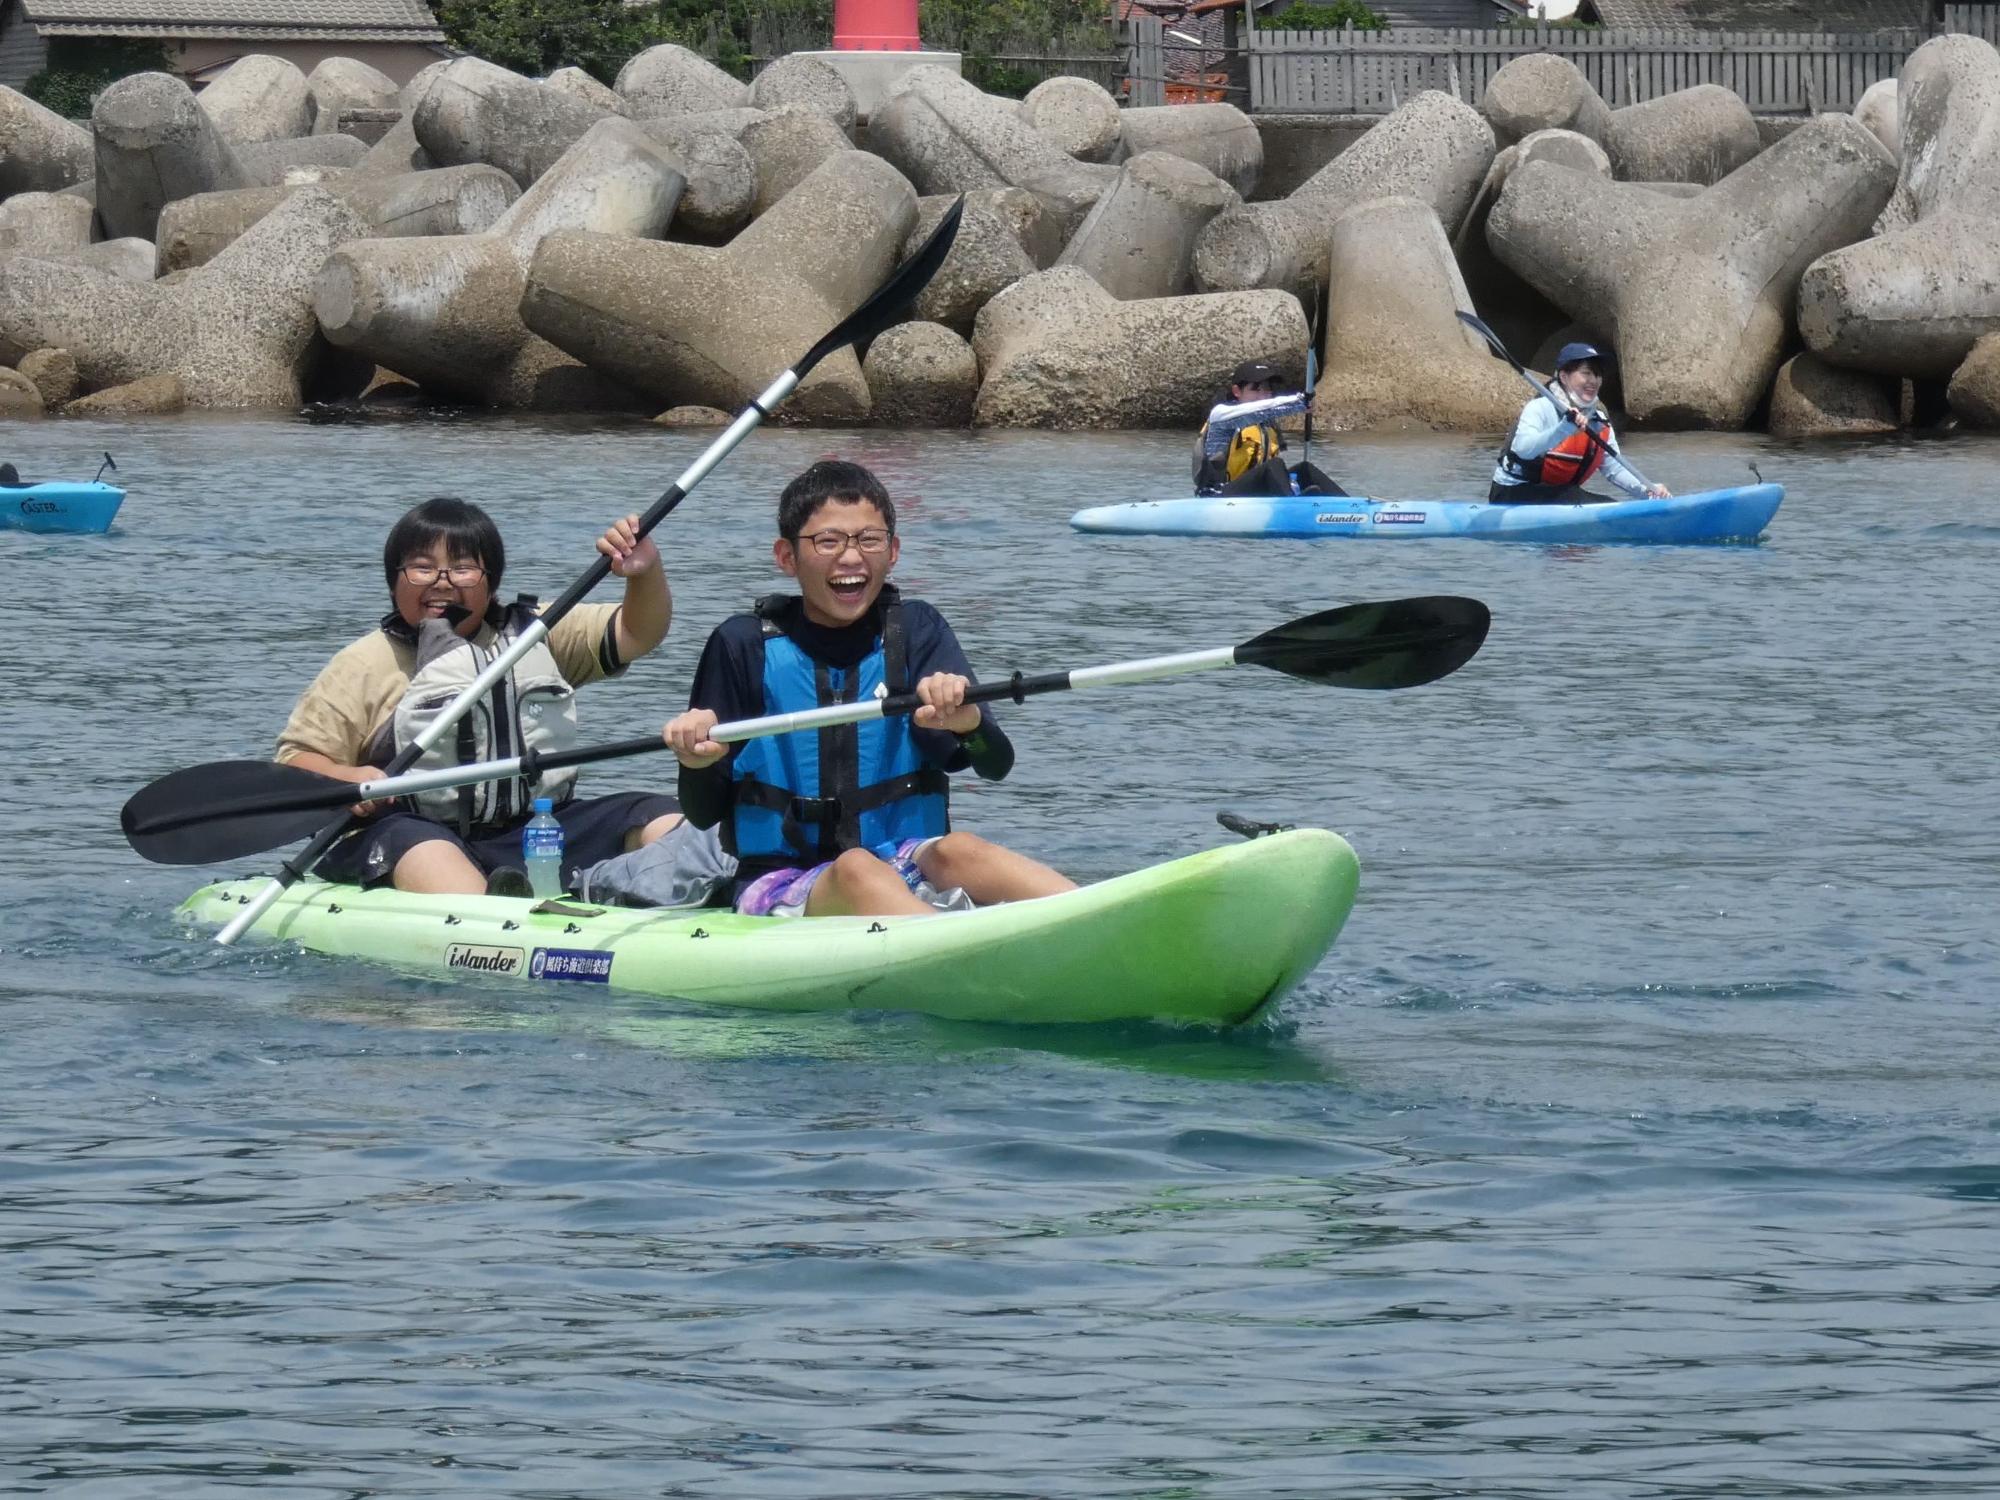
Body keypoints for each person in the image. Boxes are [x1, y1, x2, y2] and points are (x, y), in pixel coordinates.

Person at [662, 459, 1076, 920]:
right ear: (786, 557)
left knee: (961, 849)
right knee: (856, 867)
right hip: (779, 879)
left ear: (893, 550)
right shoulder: (741, 646)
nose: (852, 557)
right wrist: (695, 762)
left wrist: (969, 724)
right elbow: (702, 813)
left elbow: (996, 764)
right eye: (828, 541)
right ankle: (956, 952)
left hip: (907, 862)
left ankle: (1092, 915)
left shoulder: (917, 631)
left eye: (869, 539)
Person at [275, 496, 685, 896]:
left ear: (491, 582)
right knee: (429, 851)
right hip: (410, 834)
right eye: (422, 568)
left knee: (660, 818)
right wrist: (350, 778)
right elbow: (296, 760)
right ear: (393, 579)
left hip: (536, 829)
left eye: (463, 569)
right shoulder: (363, 663)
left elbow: (638, 632)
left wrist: (643, 572)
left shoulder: (537, 633)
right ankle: (493, 914)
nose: (442, 583)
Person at [1490, 342, 1672, 503]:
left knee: (1584, 497)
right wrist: (1562, 430)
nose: (1593, 381)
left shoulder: (1598, 419)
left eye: (1598, 374)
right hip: (1512, 494)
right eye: (1586, 373)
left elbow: (1614, 469)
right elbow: (1523, 449)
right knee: (1578, 497)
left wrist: (1646, 489)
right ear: (1564, 377)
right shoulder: (1540, 407)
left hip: (1561, 495)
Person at [1193, 360, 1346, 498]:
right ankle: (1292, 506)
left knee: (1305, 469)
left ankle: (1352, 509)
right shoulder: (1221, 415)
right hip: (1220, 496)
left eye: (1267, 389)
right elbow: (1263, 410)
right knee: (1274, 465)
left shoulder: (1267, 426)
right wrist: (1300, 402)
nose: (1263, 395)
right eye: (1256, 389)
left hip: (1254, 495)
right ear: (1237, 391)